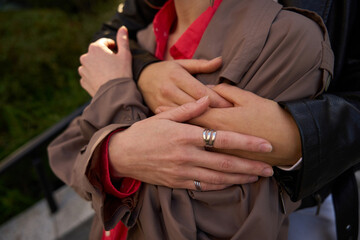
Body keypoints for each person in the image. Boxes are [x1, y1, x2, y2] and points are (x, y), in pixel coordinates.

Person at [48, 0, 335, 239]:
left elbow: (214, 226)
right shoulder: (139, 41)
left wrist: (109, 149)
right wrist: (116, 153)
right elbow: (65, 150)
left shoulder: (286, 38)